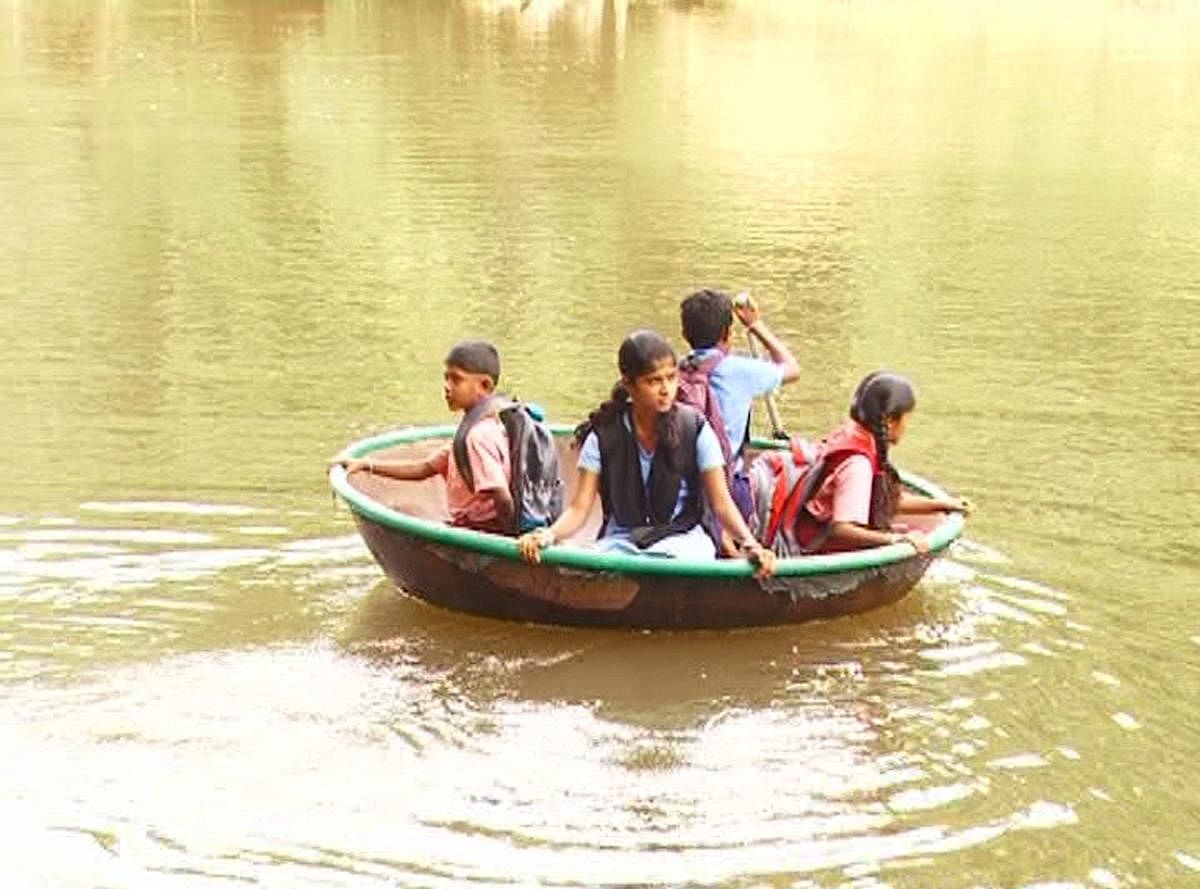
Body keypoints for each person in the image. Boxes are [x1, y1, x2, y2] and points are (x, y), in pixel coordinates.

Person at [515, 330, 776, 576]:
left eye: (671, 378)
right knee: (576, 556)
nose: (666, 390)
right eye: (654, 381)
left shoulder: (695, 428)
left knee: (686, 560)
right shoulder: (604, 436)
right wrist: (547, 536)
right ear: (629, 385)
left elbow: (721, 503)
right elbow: (579, 509)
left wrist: (751, 545)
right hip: (621, 543)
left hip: (682, 542)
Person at [754, 371, 971, 555]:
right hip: (810, 548)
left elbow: (882, 502)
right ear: (889, 420)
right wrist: (895, 540)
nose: (907, 427)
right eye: (907, 419)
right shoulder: (858, 464)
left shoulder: (851, 434)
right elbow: (842, 529)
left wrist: (942, 505)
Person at [330, 341, 515, 533]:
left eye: (456, 380)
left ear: (484, 385)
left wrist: (509, 538)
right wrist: (365, 465)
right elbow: (424, 468)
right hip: (475, 525)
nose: (447, 387)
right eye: (446, 378)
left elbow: (500, 493)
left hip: (483, 531)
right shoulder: (479, 428)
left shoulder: (478, 437)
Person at [679, 288, 801, 514]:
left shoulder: (676, 370)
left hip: (681, 485)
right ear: (727, 334)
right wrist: (755, 325)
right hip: (728, 488)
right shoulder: (738, 370)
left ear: (685, 335)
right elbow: (792, 369)